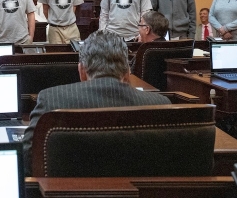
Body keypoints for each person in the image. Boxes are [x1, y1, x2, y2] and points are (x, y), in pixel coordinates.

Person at [21, 30, 171, 175]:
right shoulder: (161, 105)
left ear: (82, 72)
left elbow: (27, 159)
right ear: (127, 74)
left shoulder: (51, 101)